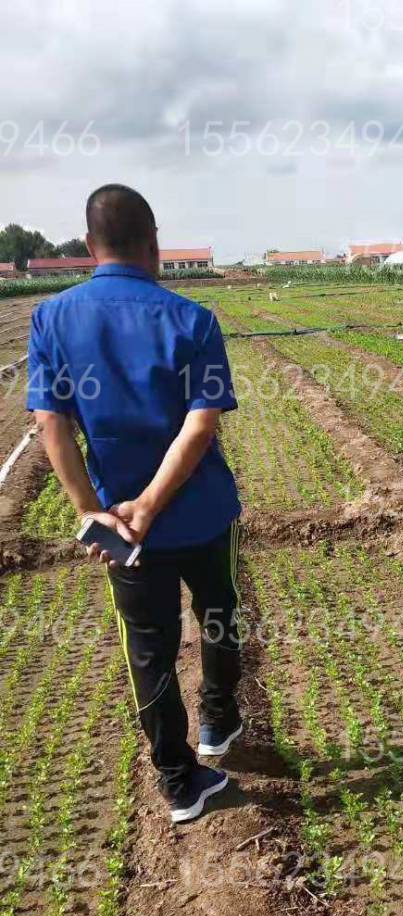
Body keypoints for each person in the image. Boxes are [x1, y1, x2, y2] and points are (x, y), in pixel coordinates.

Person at [27, 183, 243, 825]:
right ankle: (218, 721)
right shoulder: (193, 320)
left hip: (123, 530)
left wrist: (96, 510)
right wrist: (154, 502)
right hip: (200, 512)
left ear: (90, 246)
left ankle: (180, 783)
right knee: (220, 616)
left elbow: (52, 425)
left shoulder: (53, 319)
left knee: (147, 645)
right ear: (154, 244)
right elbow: (201, 425)